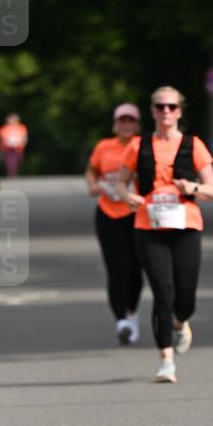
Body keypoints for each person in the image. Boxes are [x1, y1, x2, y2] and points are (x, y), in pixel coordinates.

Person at [115, 86, 213, 382]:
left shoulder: (193, 144)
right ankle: (166, 362)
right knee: (163, 292)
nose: (166, 112)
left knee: (185, 297)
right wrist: (127, 196)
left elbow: (212, 189)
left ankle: (180, 322)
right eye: (160, 107)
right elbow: (121, 183)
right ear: (152, 111)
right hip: (149, 227)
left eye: (172, 106)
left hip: (186, 226)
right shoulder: (137, 145)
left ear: (180, 111)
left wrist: (193, 188)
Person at [85, 103, 144, 344]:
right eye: (122, 121)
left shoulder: (144, 146)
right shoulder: (103, 146)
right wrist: (94, 185)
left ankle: (132, 312)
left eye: (130, 121)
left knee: (136, 268)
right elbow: (91, 170)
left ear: (138, 124)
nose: (126, 125)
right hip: (108, 213)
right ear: (115, 124)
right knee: (116, 268)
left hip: (137, 212)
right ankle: (121, 319)